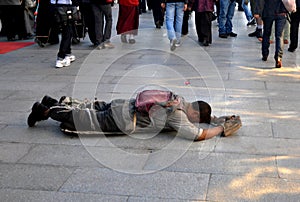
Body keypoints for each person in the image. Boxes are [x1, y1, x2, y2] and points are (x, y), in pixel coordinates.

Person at [27, 91, 242, 141]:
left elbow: (203, 118)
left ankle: (52, 102)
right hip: (124, 120)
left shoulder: (179, 98)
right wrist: (221, 129)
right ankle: (45, 111)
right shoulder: (177, 114)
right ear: (193, 112)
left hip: (123, 104)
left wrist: (218, 118)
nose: (193, 121)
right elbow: (199, 135)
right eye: (195, 118)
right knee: (82, 120)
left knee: (90, 108)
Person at [259, 0, 287, 68]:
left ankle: (265, 54)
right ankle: (278, 57)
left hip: (268, 10)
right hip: (281, 10)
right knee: (279, 36)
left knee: (266, 33)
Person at [50, 0, 77, 68]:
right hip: (62, 6)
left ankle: (67, 53)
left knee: (68, 31)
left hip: (58, 5)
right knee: (67, 32)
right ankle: (61, 56)